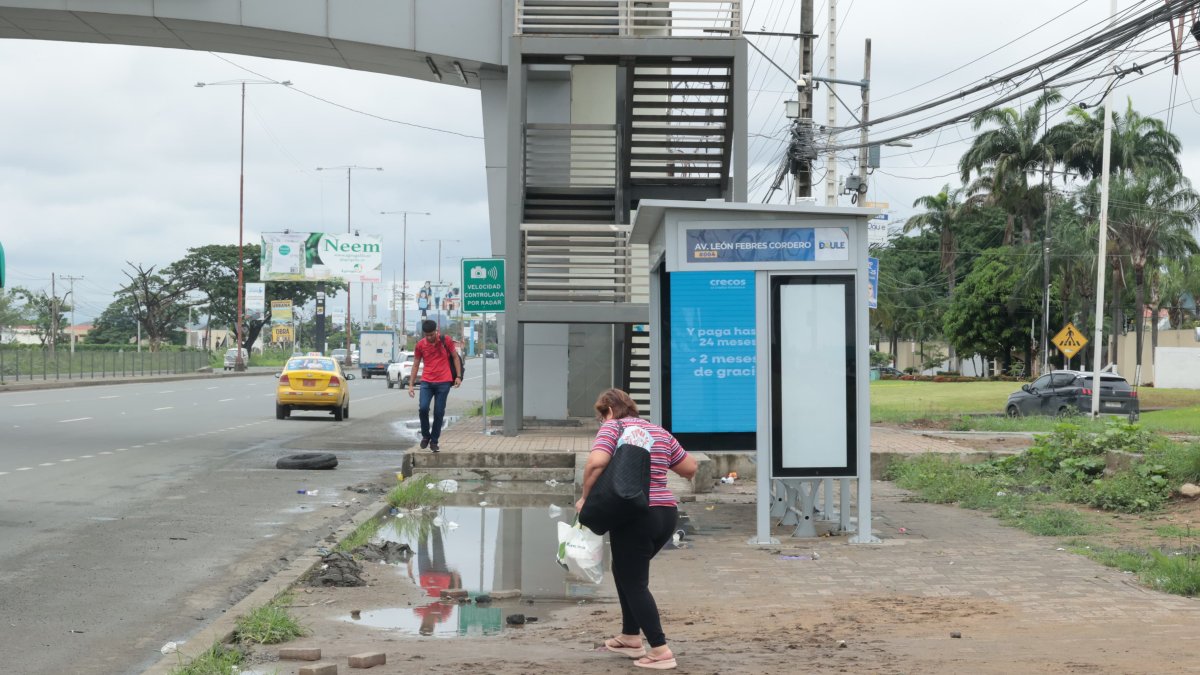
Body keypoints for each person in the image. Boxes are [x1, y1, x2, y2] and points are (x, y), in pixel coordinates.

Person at [575, 388, 697, 671]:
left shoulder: (613, 428)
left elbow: (596, 463)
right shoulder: (658, 432)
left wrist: (585, 498)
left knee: (634, 582)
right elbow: (689, 468)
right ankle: (630, 637)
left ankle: (660, 650)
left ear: (608, 410)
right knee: (625, 571)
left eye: (601, 416)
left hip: (634, 515)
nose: (601, 421)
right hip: (665, 515)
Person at [408, 319, 462, 452]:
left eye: (431, 334)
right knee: (423, 408)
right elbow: (415, 364)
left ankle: (434, 441)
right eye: (427, 335)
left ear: (436, 331)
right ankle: (426, 436)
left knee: (439, 412)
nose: (429, 337)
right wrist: (411, 384)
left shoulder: (446, 340)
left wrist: (458, 376)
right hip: (426, 381)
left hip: (444, 382)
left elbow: (455, 357)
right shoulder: (420, 345)